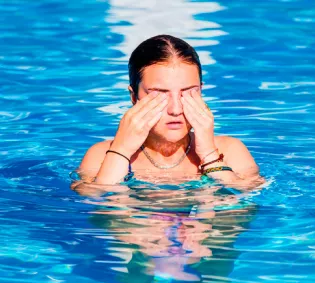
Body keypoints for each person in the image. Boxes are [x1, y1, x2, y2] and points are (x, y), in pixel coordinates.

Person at [73, 35, 263, 191]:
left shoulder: (229, 151)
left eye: (188, 93)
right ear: (134, 97)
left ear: (201, 91)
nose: (176, 110)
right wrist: (121, 150)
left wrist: (209, 155)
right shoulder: (102, 155)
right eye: (159, 95)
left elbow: (249, 199)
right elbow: (95, 203)